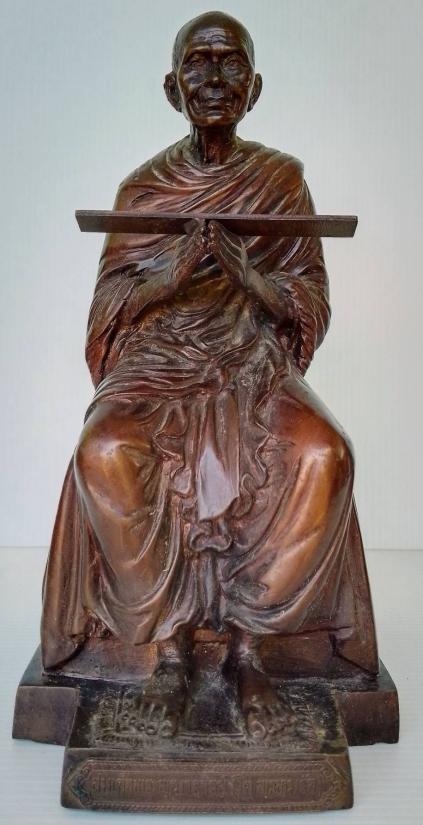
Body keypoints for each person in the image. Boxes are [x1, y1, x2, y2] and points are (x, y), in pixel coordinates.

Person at [41, 11, 375, 737]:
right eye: (198, 61)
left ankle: (252, 648)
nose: (215, 77)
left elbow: (309, 298)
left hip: (251, 360)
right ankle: (164, 651)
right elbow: (107, 311)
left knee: (323, 453)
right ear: (172, 88)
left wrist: (249, 277)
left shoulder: (280, 181)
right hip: (158, 361)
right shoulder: (142, 190)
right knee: (105, 450)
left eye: (231, 63)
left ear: (255, 88)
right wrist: (166, 279)